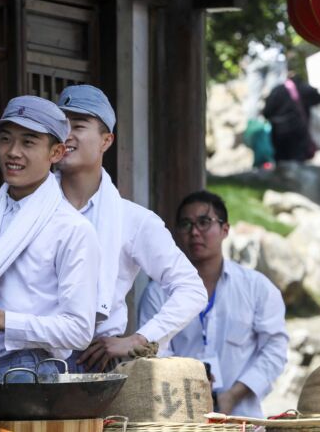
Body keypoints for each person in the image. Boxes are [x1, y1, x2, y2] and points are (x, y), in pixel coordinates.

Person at [139, 190, 288, 432]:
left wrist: (234, 393)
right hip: (184, 426)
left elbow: (275, 349)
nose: (195, 232)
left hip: (244, 422)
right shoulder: (159, 292)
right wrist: (195, 390)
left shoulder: (257, 288)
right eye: (186, 224)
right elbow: (153, 353)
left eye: (205, 222)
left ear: (225, 229)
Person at [53, 85, 207, 372]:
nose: (67, 134)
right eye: (61, 125)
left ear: (106, 140)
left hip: (91, 361)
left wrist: (139, 339)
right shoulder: (30, 207)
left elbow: (191, 289)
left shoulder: (133, 219)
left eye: (78, 125)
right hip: (28, 356)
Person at [0, 95, 100, 379]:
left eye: (28, 142)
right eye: (6, 139)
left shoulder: (72, 229)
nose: (12, 152)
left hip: (33, 372)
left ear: (56, 152)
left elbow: (78, 331)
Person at [261, 75, 320, 163]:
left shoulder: (277, 90)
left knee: (281, 162)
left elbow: (266, 112)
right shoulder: (304, 89)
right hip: (298, 132)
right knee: (297, 162)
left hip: (278, 132)